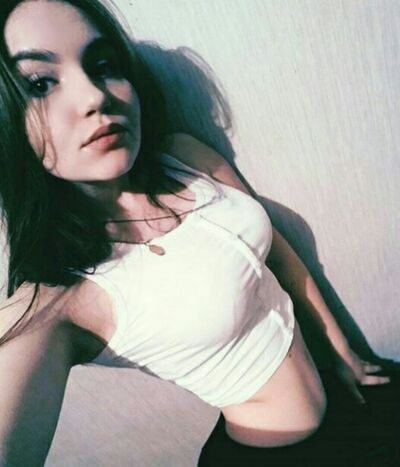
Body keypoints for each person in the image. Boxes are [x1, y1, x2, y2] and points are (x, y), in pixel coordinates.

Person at [0, 1, 394, 466]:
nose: (94, 97)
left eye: (103, 65)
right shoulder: (56, 299)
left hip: (342, 392)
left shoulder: (184, 157)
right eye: (40, 84)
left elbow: (276, 254)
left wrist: (342, 351)